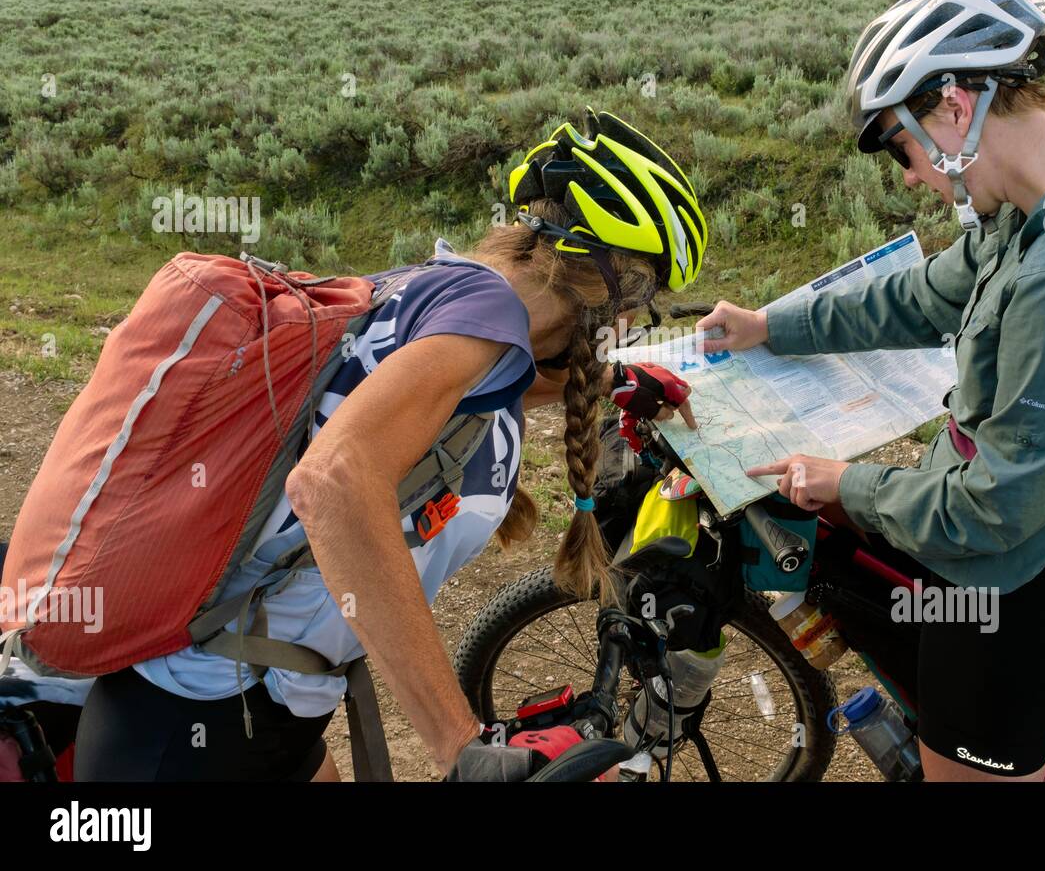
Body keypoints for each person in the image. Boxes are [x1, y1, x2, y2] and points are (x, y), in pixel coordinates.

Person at [62, 109, 707, 782]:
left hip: (257, 711)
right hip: (191, 733)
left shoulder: (462, 302)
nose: (636, 323)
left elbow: (467, 408)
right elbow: (333, 481)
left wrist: (621, 381)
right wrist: (462, 746)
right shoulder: (485, 321)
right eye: (648, 299)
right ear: (611, 286)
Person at [698, 0, 1045, 782]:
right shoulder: (1044, 196)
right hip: (1015, 518)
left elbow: (1000, 506)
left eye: (903, 147)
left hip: (1031, 567)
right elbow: (923, 297)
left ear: (955, 109)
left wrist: (847, 484)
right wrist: (767, 327)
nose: (911, 176)